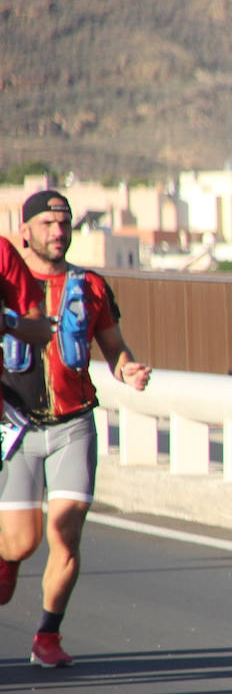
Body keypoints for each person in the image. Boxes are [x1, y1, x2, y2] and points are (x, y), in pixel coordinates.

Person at [0, 189, 152, 668]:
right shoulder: (5, 284)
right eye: (46, 223)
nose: (58, 232)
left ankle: (48, 635)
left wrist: (127, 369)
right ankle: (6, 559)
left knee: (66, 533)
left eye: (64, 223)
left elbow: (115, 347)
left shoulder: (90, 286)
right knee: (23, 541)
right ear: (24, 232)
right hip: (17, 427)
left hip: (74, 424)